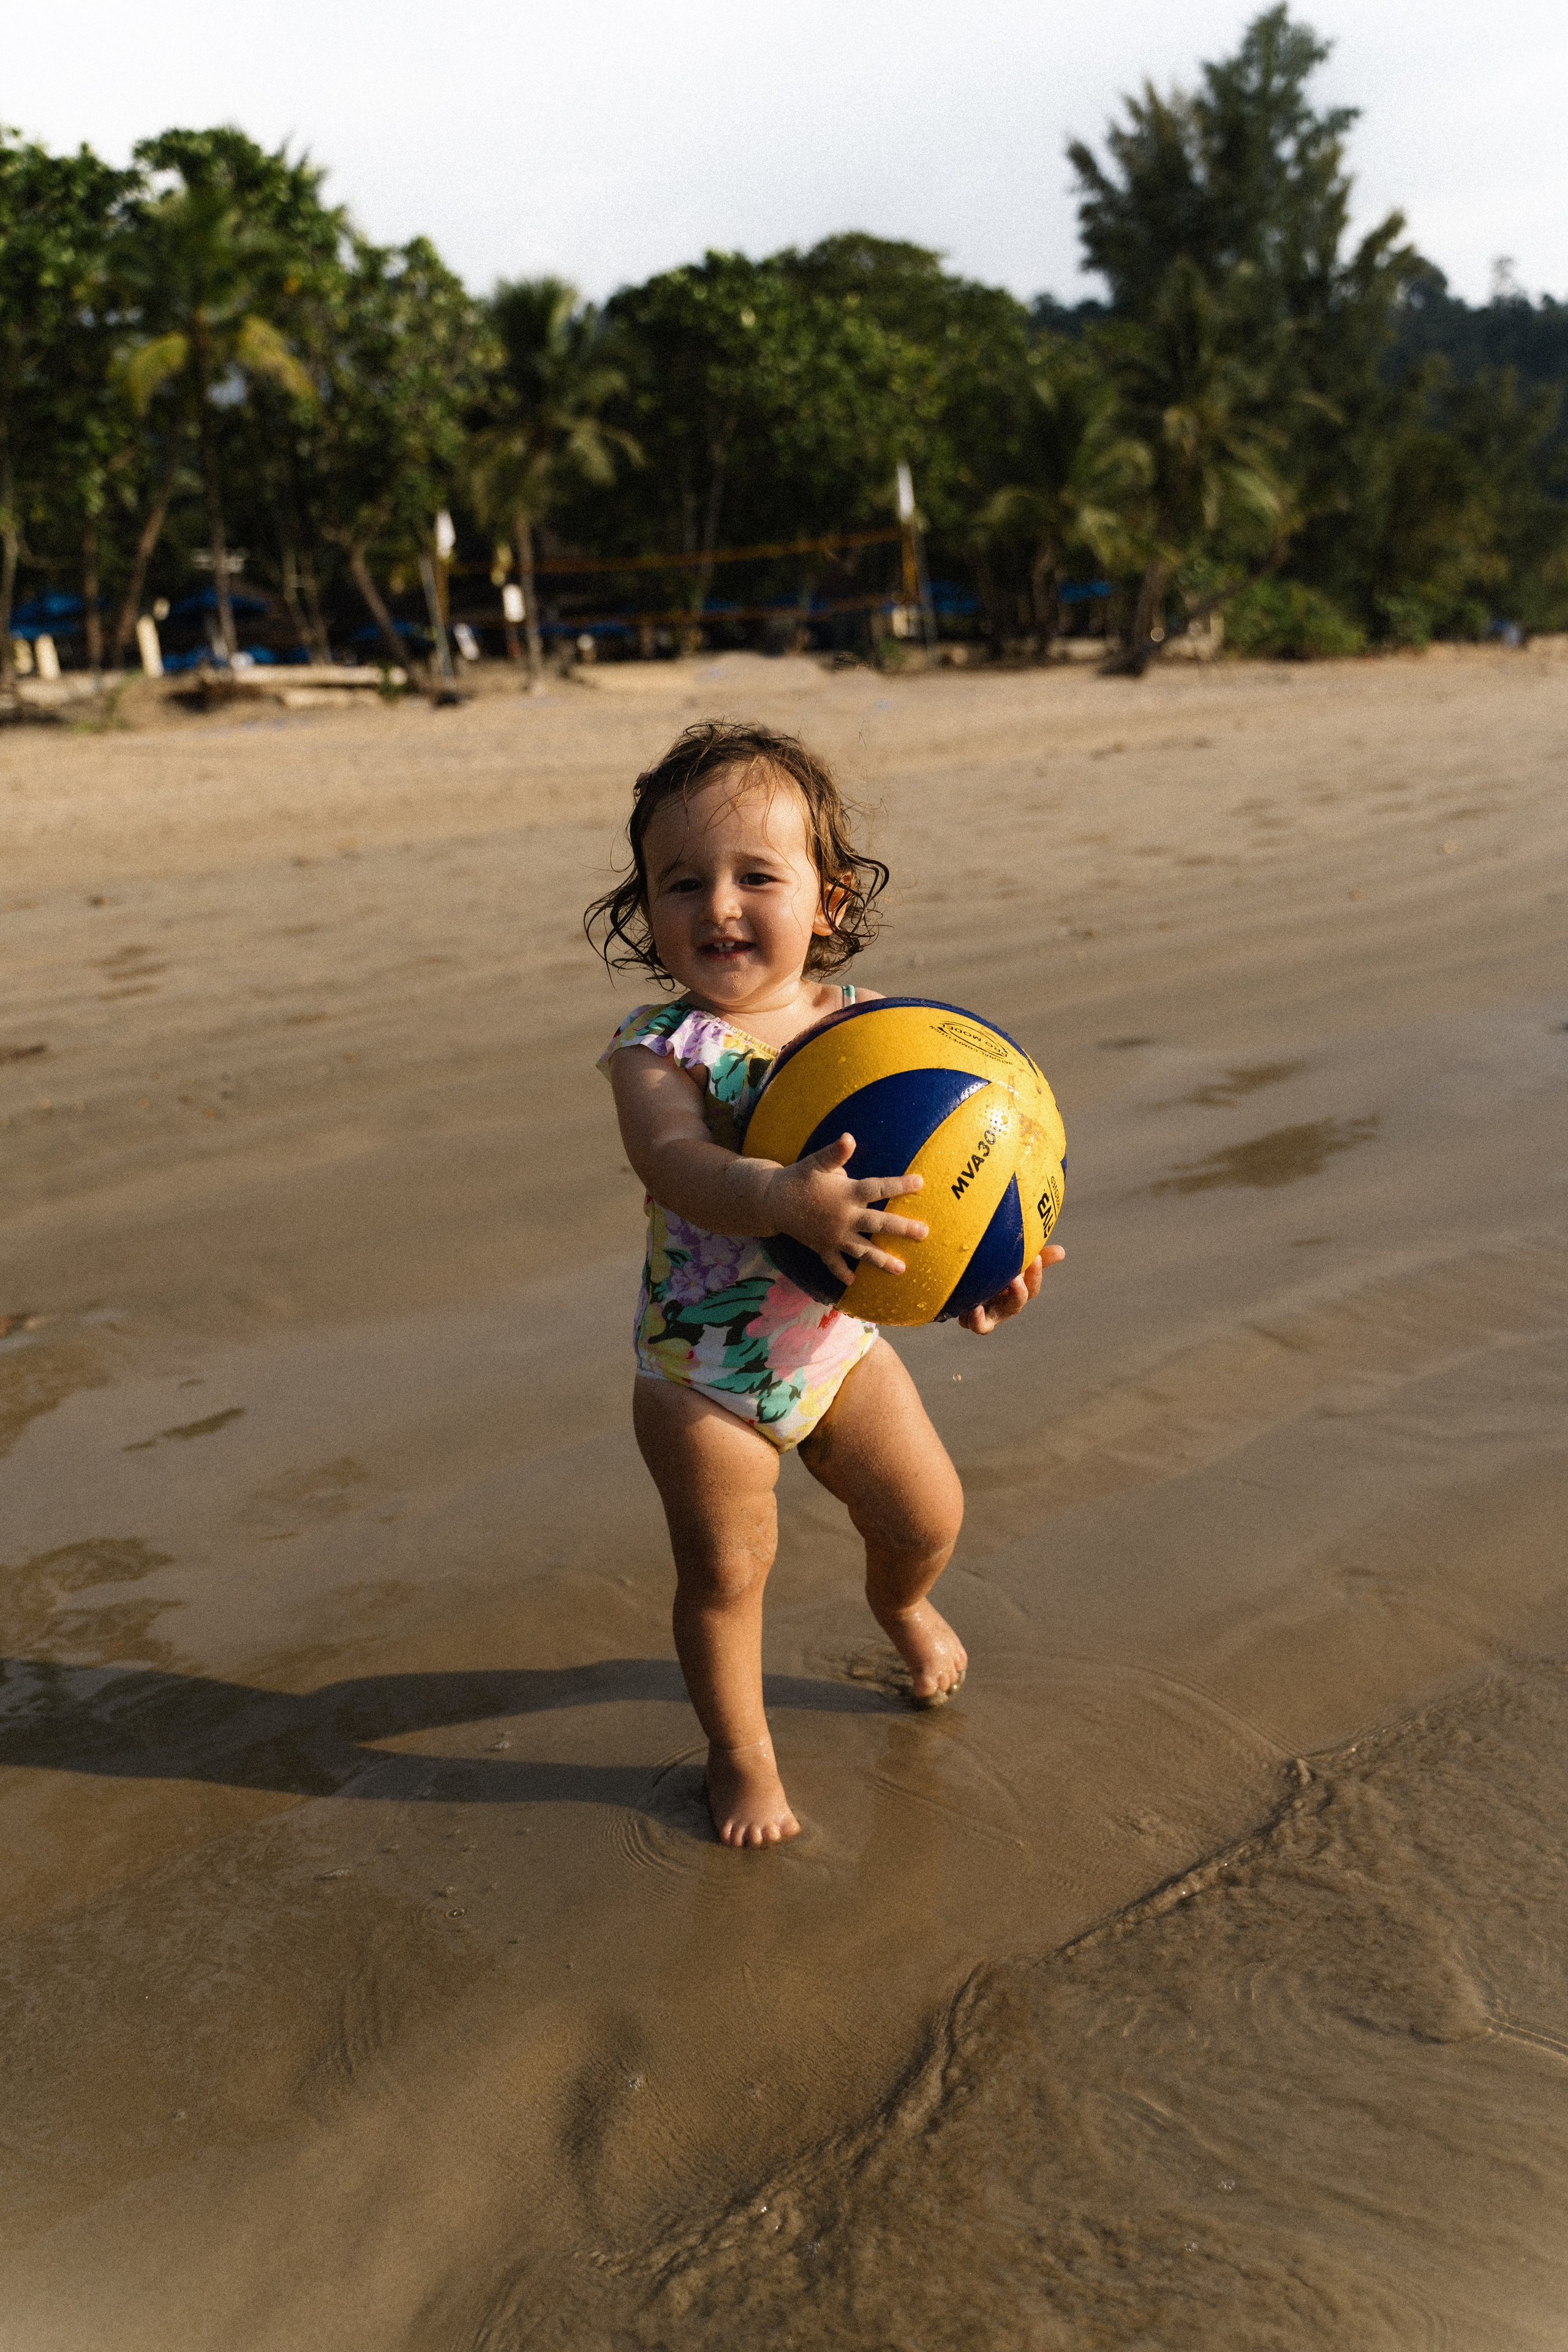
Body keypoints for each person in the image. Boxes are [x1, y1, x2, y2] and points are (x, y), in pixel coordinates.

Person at [587, 720, 1063, 1849]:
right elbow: (674, 1164)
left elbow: (938, 1200)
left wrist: (970, 1283)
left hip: (840, 1347)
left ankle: (898, 1603)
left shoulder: (883, 1039)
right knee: (726, 1574)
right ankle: (739, 1755)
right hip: (705, 1374)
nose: (719, 906)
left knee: (925, 1513)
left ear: (829, 899)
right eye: (682, 882)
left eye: (758, 876)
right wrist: (779, 1199)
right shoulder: (661, 1047)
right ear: (645, 911)